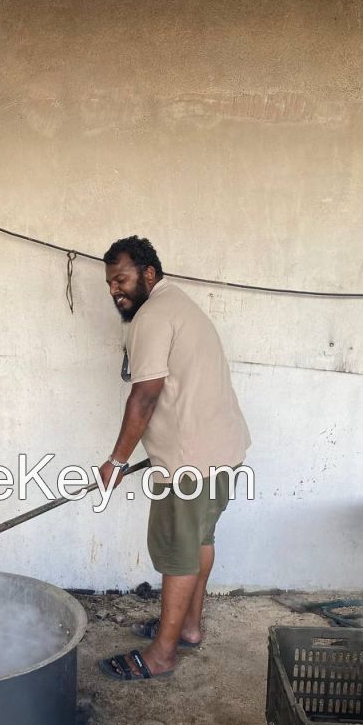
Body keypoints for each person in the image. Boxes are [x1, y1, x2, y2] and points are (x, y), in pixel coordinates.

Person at [97, 236, 250, 681]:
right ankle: (188, 627)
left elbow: (144, 396)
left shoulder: (153, 316)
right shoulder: (178, 304)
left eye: (121, 279)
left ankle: (162, 653)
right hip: (222, 451)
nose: (114, 290)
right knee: (200, 540)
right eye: (109, 282)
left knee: (178, 553)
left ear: (148, 274)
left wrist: (117, 461)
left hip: (189, 464)